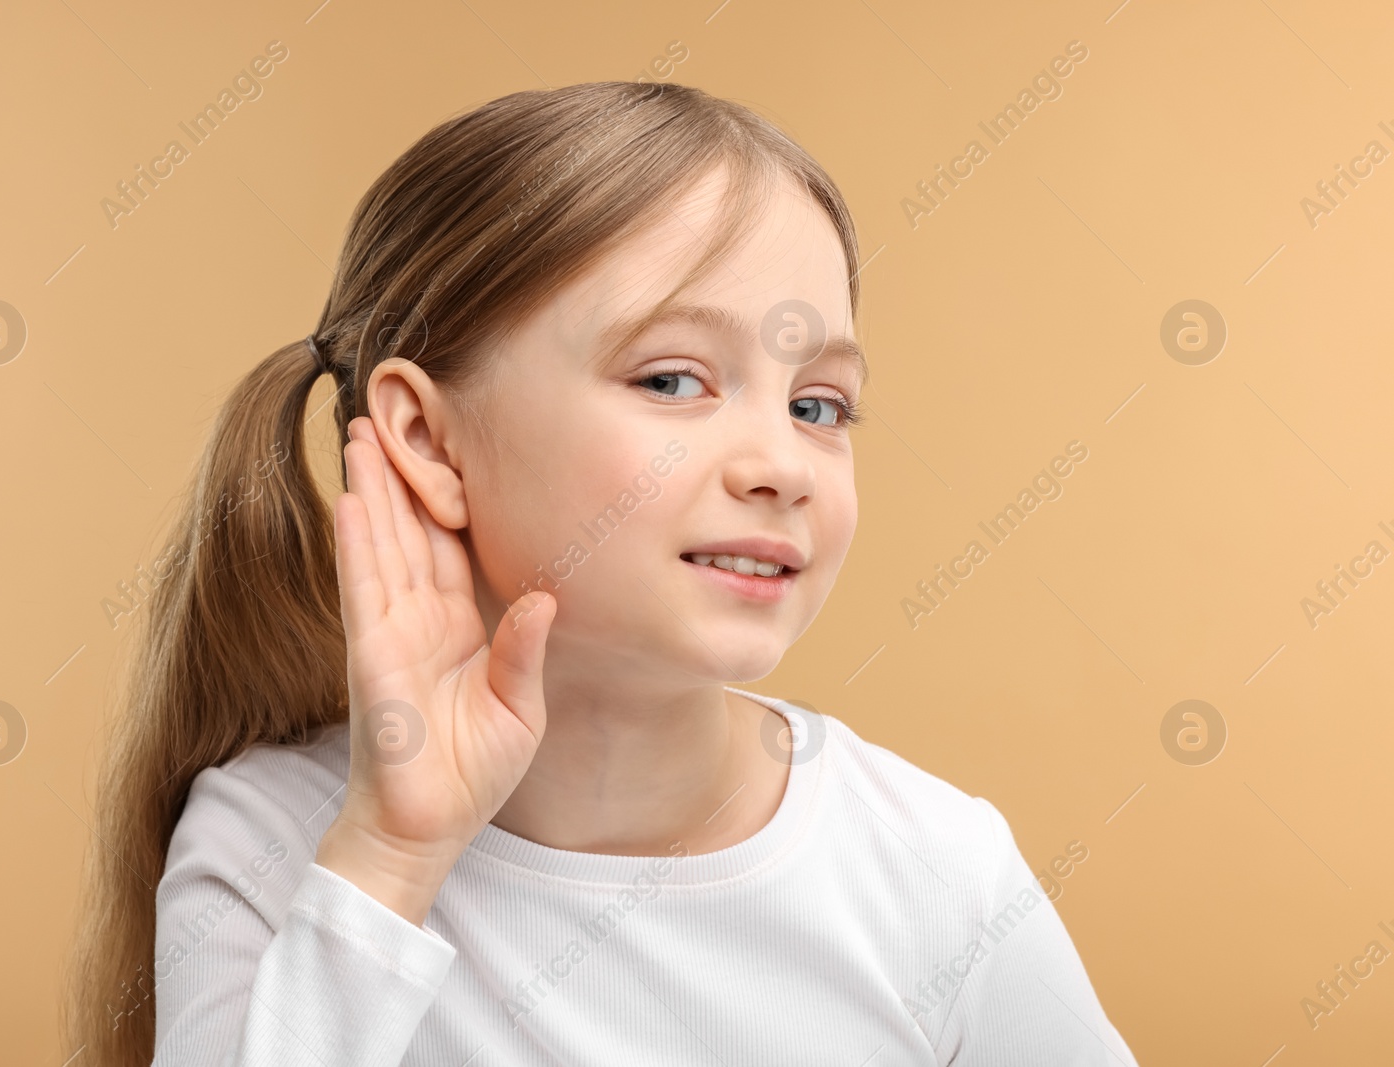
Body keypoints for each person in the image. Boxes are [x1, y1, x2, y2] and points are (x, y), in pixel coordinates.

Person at [60, 80, 1138, 1066]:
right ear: (427, 442)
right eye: (673, 379)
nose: (779, 466)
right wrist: (392, 857)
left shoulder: (938, 869)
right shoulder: (274, 844)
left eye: (818, 404)